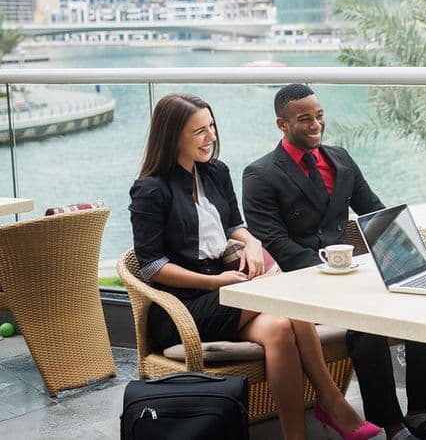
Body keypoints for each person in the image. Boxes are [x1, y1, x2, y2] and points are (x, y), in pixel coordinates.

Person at [129, 92, 380, 440]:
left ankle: (297, 436)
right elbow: (152, 266)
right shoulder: (149, 190)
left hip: (228, 294)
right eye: (198, 131)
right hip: (183, 307)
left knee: (279, 330)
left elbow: (236, 226)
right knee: (288, 300)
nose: (211, 137)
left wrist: (253, 243)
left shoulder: (215, 173)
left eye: (211, 126)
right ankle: (332, 402)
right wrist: (216, 283)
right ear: (173, 136)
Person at [243, 84, 426, 440]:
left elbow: (375, 214)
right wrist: (334, 274)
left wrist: (412, 249)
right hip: (301, 286)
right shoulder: (260, 174)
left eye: (319, 116)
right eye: (304, 119)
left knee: (419, 299)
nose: (315, 124)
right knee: (365, 325)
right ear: (282, 125)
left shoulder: (341, 159)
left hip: (345, 277)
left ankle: (419, 410)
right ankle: (391, 425)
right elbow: (276, 244)